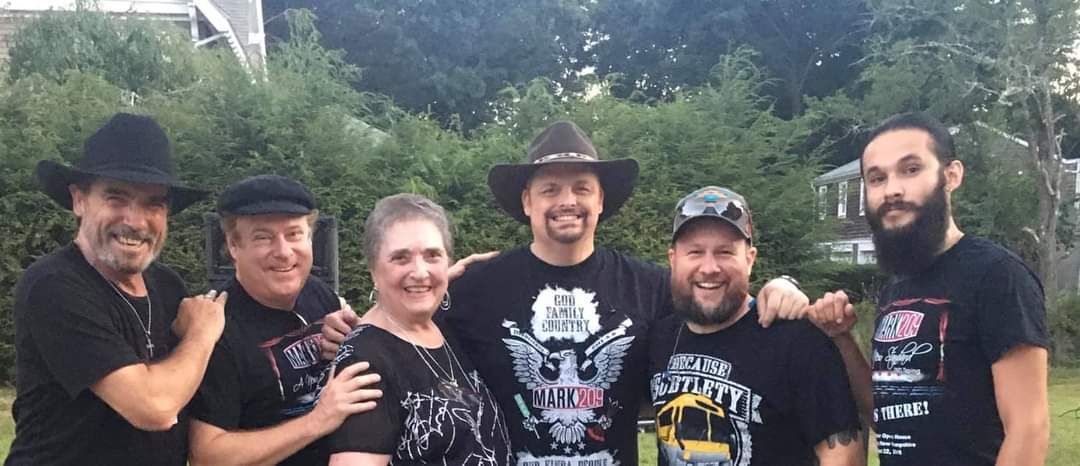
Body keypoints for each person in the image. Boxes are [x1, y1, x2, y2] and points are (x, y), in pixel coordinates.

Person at [324, 121, 810, 466]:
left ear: (601, 199)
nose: (567, 201)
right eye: (550, 188)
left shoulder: (652, 285)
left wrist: (781, 287)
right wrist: (353, 328)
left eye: (581, 187)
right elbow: (405, 322)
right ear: (527, 201)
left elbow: (721, 310)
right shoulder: (476, 285)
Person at [808, 112, 1050, 465]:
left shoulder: (997, 275)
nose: (892, 189)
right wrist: (842, 338)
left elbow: (1029, 428)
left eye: (910, 169)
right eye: (877, 178)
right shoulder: (896, 288)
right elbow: (886, 416)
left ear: (951, 175)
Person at [6, 113, 227, 465]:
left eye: (153, 203)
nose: (135, 221)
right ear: (79, 200)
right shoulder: (54, 286)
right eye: (116, 198)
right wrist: (202, 333)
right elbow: (153, 408)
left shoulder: (167, 286)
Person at [649, 186, 864, 466]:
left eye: (725, 252)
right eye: (695, 252)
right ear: (673, 259)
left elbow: (844, 456)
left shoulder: (797, 339)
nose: (709, 267)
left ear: (749, 259)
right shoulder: (660, 338)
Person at [187, 175, 383, 465]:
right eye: (263, 237)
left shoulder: (317, 293)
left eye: (294, 234)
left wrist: (351, 338)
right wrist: (317, 420)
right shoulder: (216, 328)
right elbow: (207, 455)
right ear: (233, 245)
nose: (283, 252)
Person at [326, 193, 511, 465]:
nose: (420, 272)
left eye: (433, 255)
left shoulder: (441, 327)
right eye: (401, 258)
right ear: (373, 270)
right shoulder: (365, 363)